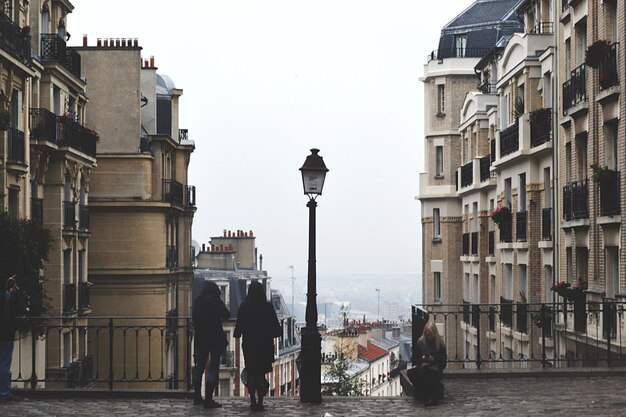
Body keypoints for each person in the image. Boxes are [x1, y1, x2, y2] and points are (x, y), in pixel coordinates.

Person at [234, 281, 281, 411]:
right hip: (265, 345)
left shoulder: (244, 307)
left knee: (252, 373)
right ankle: (260, 401)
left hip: (249, 345)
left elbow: (237, 331)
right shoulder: (267, 307)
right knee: (261, 374)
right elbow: (277, 330)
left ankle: (253, 401)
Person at [192, 281, 230, 409]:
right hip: (215, 339)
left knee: (200, 367)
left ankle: (197, 396)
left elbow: (194, 319)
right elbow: (227, 314)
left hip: (201, 338)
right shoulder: (215, 302)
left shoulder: (198, 302)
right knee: (213, 368)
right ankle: (209, 399)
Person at [408, 321, 447, 406]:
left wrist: (433, 360)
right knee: (412, 372)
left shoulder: (440, 344)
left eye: (430, 334)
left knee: (426, 371)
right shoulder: (420, 342)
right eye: (427, 334)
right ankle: (425, 392)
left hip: (435, 368)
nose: (428, 337)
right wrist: (422, 358)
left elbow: (443, 363)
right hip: (422, 366)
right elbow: (415, 359)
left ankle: (430, 396)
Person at [0, 275, 24, 402]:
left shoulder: (2, 295)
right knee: (4, 363)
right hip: (6, 334)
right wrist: (16, 291)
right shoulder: (12, 297)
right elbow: (20, 308)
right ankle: (4, 392)